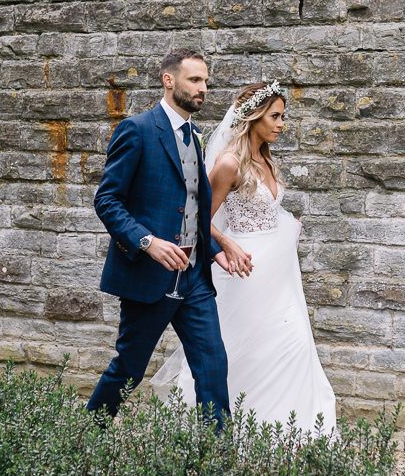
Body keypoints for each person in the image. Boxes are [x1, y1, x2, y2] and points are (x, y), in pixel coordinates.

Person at [151, 81, 337, 434]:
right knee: (245, 355)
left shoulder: (266, 158)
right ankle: (233, 435)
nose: (282, 124)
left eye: (283, 117)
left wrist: (285, 223)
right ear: (253, 117)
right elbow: (197, 218)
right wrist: (226, 243)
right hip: (244, 277)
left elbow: (266, 212)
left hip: (279, 279)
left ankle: (292, 436)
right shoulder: (228, 164)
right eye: (275, 116)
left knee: (294, 345)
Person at [86, 49, 237, 429]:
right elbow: (107, 200)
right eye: (195, 80)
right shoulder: (137, 130)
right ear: (169, 80)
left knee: (213, 365)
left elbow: (193, 204)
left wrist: (214, 249)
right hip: (148, 277)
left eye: (205, 81)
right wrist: (147, 242)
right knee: (129, 370)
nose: (203, 88)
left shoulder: (195, 135)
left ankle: (217, 456)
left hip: (194, 277)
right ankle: (89, 433)